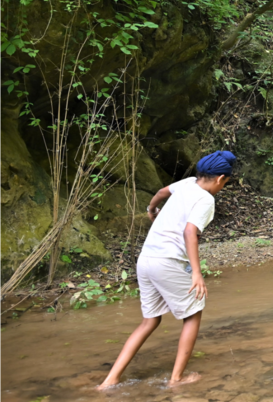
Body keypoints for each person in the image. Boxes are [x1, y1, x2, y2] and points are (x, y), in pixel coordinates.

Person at [97, 150, 237, 390]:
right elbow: (189, 232)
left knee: (149, 321)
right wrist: (196, 272)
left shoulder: (187, 183)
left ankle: (110, 380)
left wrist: (151, 209)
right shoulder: (206, 199)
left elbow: (162, 192)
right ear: (220, 179)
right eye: (224, 183)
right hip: (168, 261)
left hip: (146, 260)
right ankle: (177, 379)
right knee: (193, 314)